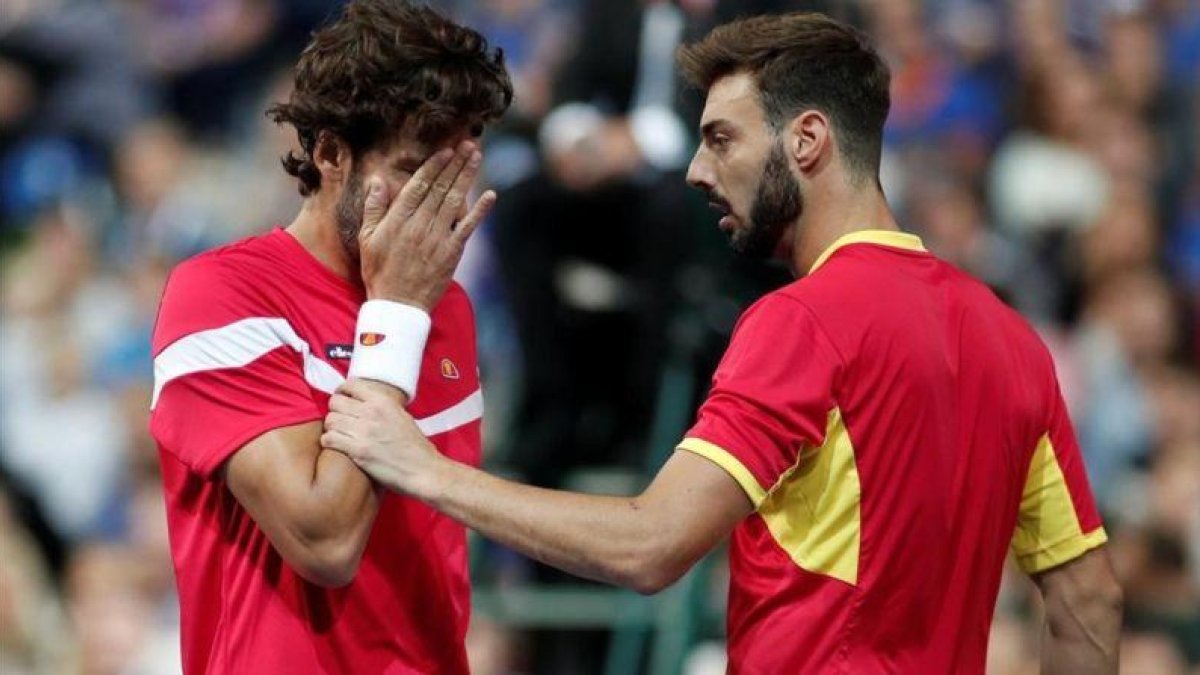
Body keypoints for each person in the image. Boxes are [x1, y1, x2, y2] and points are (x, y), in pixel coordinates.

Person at [322, 12, 1125, 674]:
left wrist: (423, 468)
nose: (698, 170)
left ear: (806, 140)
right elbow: (1087, 599)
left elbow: (651, 543)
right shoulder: (1015, 343)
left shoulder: (801, 321)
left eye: (721, 138)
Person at [147, 2, 511, 672]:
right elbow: (325, 541)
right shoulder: (221, 293)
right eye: (413, 170)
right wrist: (395, 316)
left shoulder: (448, 306)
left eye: (460, 171)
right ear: (330, 152)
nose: (443, 202)